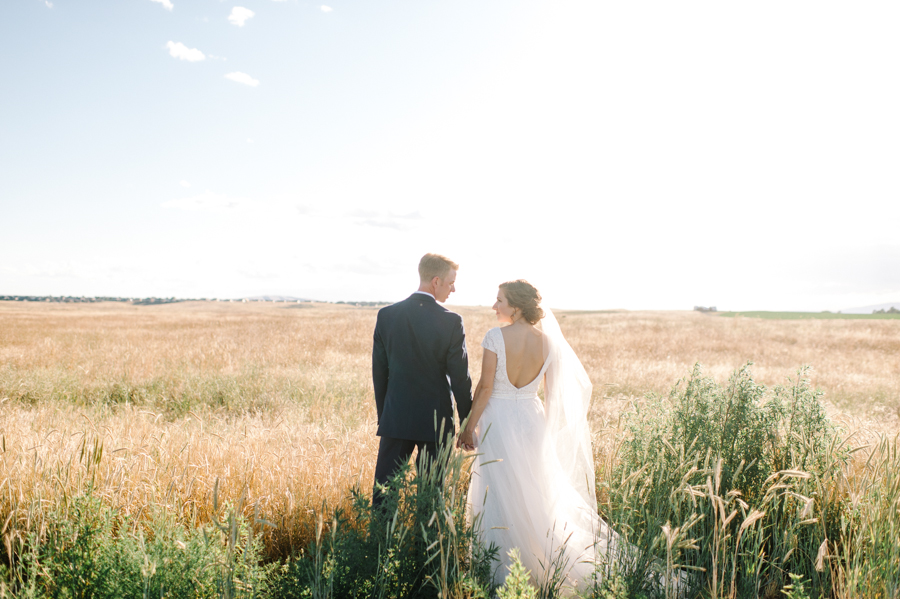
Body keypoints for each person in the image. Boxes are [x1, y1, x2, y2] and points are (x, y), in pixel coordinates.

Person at [458, 280, 615, 592]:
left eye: (499, 300)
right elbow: (554, 394)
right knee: (533, 490)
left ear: (515, 307)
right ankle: (543, 565)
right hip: (532, 420)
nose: (494, 306)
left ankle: (498, 572)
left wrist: (468, 427)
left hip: (497, 420)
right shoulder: (549, 343)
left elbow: (486, 388)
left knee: (497, 492)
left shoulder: (494, 337)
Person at [371, 253, 474, 510]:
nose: (454, 289)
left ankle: (380, 546)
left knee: (384, 492)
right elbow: (460, 378)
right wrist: (467, 422)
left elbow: (379, 373)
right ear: (436, 281)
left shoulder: (386, 315)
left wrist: (385, 415)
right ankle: (424, 549)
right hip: (436, 420)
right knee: (430, 495)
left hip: (396, 417)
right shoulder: (451, 321)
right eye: (451, 283)